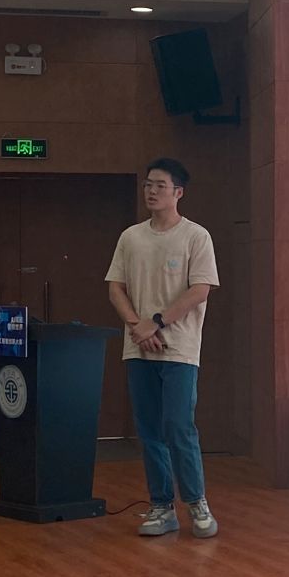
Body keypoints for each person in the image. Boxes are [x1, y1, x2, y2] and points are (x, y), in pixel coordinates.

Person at [105, 158, 220, 538]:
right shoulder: (131, 237)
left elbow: (200, 289)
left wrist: (156, 322)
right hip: (139, 347)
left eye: (160, 185)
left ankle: (197, 502)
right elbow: (116, 288)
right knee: (149, 428)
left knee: (178, 425)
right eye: (148, 184)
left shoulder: (196, 236)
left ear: (178, 192)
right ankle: (161, 506)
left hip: (179, 348)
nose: (151, 191)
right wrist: (138, 326)